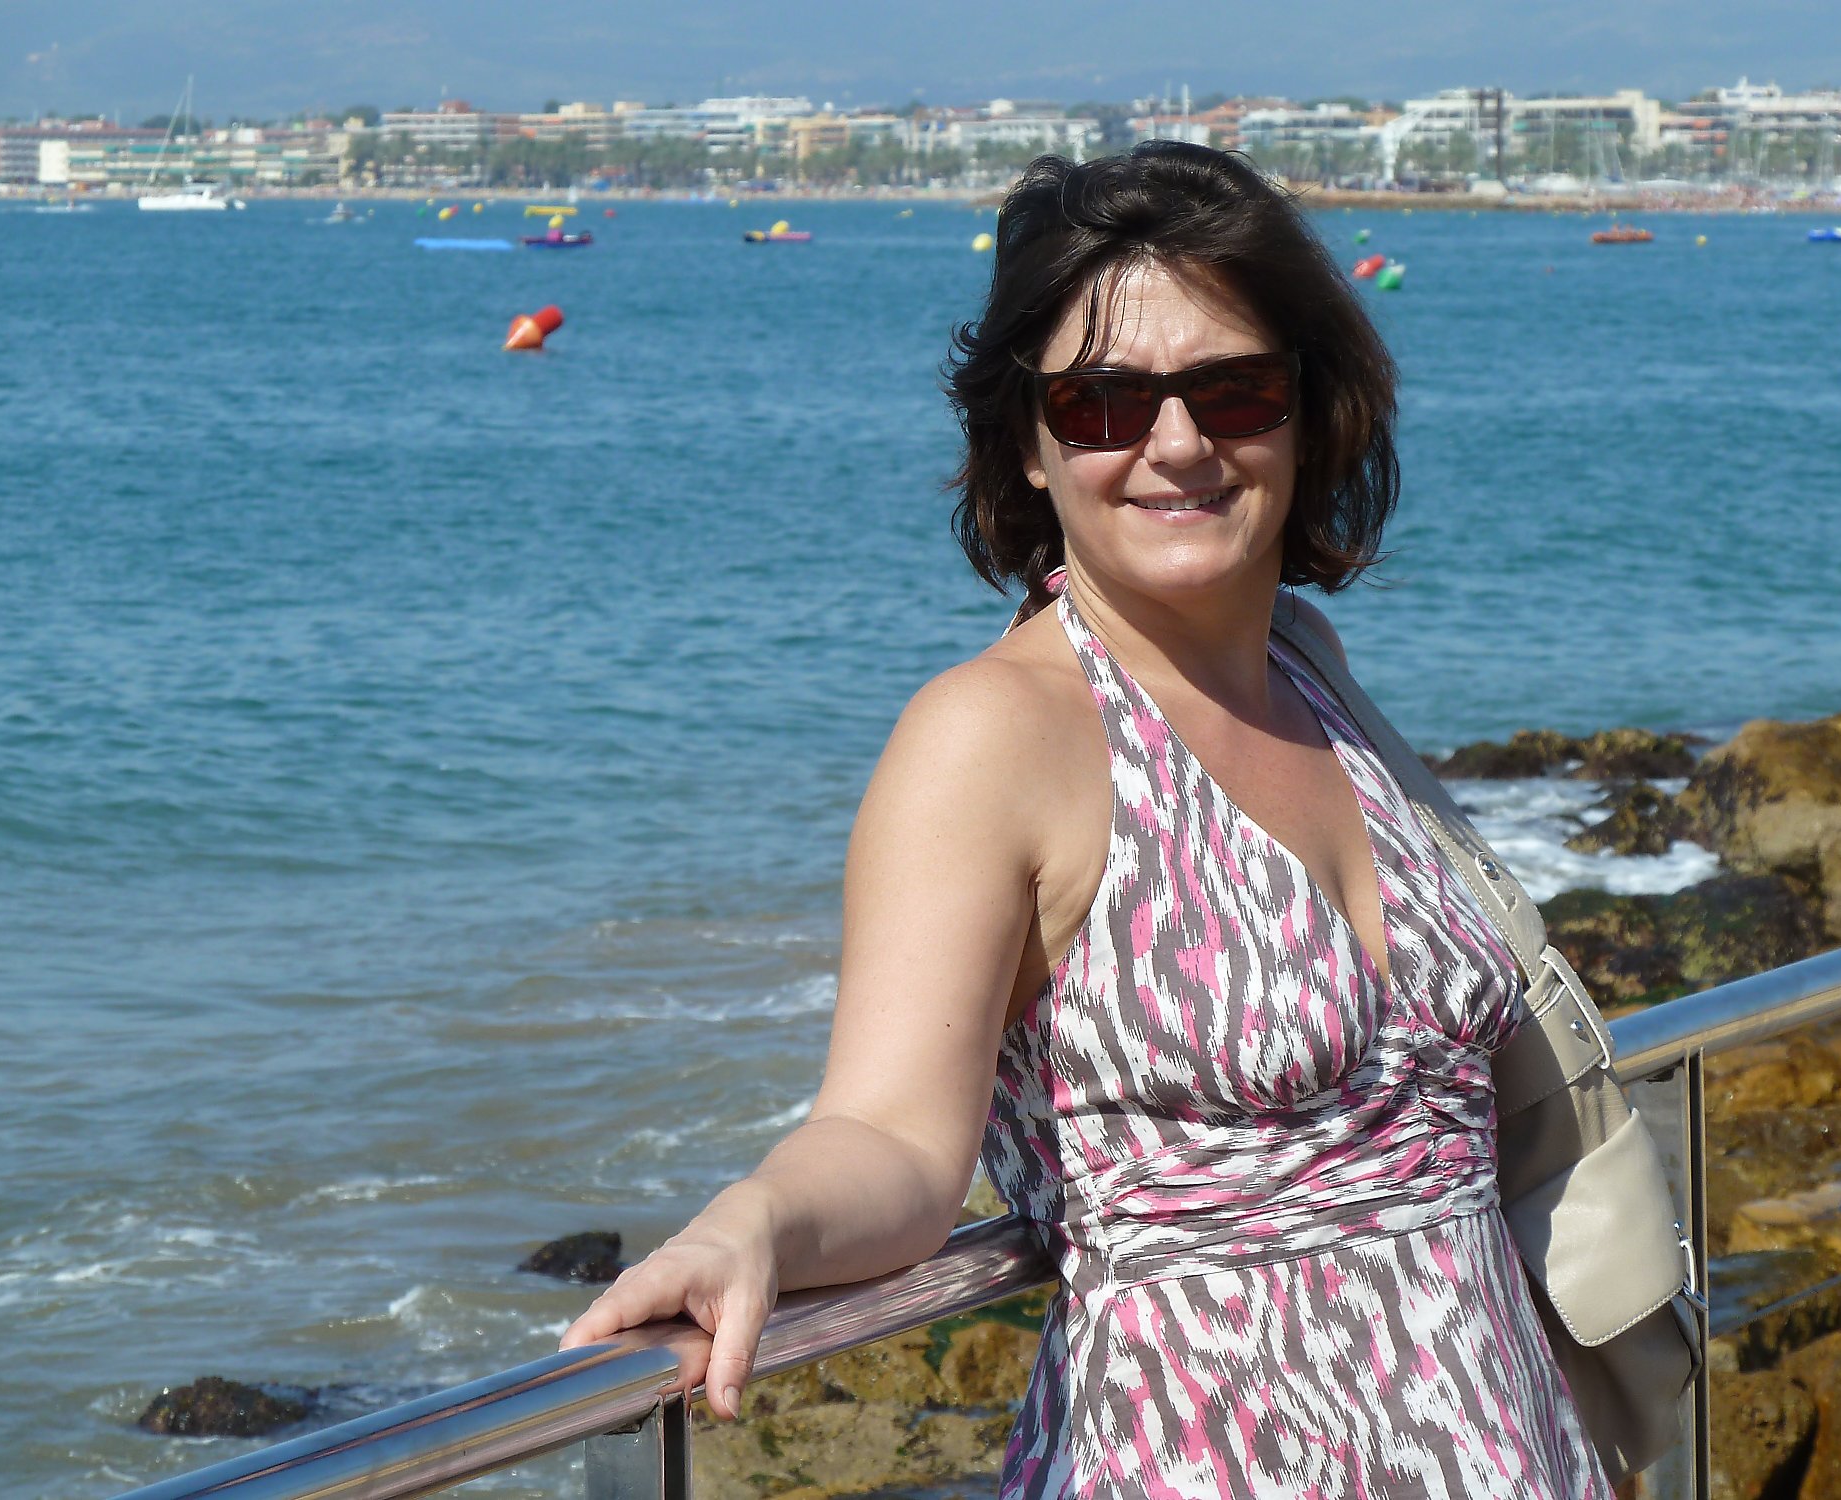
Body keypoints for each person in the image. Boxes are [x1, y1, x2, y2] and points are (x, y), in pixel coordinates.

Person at [563, 142, 1614, 1499]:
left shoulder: (1313, 677)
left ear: (1306, 410)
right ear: (1029, 440)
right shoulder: (992, 735)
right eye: (1105, 402)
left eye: (1234, 389)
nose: (1178, 444)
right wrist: (752, 1219)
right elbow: (891, 1136)